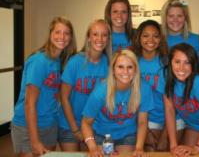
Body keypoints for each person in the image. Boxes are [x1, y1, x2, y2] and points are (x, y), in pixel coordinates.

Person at [11, 16, 77, 156]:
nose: (62, 37)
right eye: (57, 32)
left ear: (71, 37)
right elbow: (29, 103)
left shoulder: (60, 60)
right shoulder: (39, 61)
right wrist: (34, 141)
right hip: (27, 126)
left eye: (66, 33)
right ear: (50, 34)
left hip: (49, 124)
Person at [81, 49, 153, 157]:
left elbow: (142, 122)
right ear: (113, 70)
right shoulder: (100, 92)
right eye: (120, 67)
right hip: (102, 135)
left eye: (130, 67)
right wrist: (93, 148)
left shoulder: (144, 88)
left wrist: (139, 148)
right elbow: (86, 123)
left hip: (127, 134)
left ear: (136, 70)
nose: (125, 72)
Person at [58, 19, 111, 151]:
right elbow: (63, 97)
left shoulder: (108, 63)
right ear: (88, 37)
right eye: (95, 34)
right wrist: (75, 129)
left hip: (93, 125)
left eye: (104, 35)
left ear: (108, 39)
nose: (100, 39)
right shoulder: (75, 61)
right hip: (69, 124)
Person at [132, 20, 170, 151]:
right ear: (139, 38)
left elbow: (174, 101)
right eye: (145, 35)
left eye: (155, 35)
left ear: (160, 39)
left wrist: (166, 133)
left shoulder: (167, 63)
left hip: (169, 119)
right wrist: (145, 129)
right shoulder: (132, 62)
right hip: (144, 120)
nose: (151, 39)